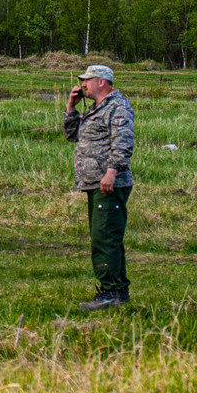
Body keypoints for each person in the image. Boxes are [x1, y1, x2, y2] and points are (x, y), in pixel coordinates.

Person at [62, 63, 134, 309]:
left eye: (87, 80)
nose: (82, 84)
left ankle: (111, 293)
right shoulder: (95, 108)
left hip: (109, 184)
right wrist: (71, 107)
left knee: (106, 238)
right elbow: (72, 135)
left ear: (101, 81)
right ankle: (116, 290)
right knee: (103, 236)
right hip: (95, 183)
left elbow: (123, 142)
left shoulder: (118, 106)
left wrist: (112, 171)